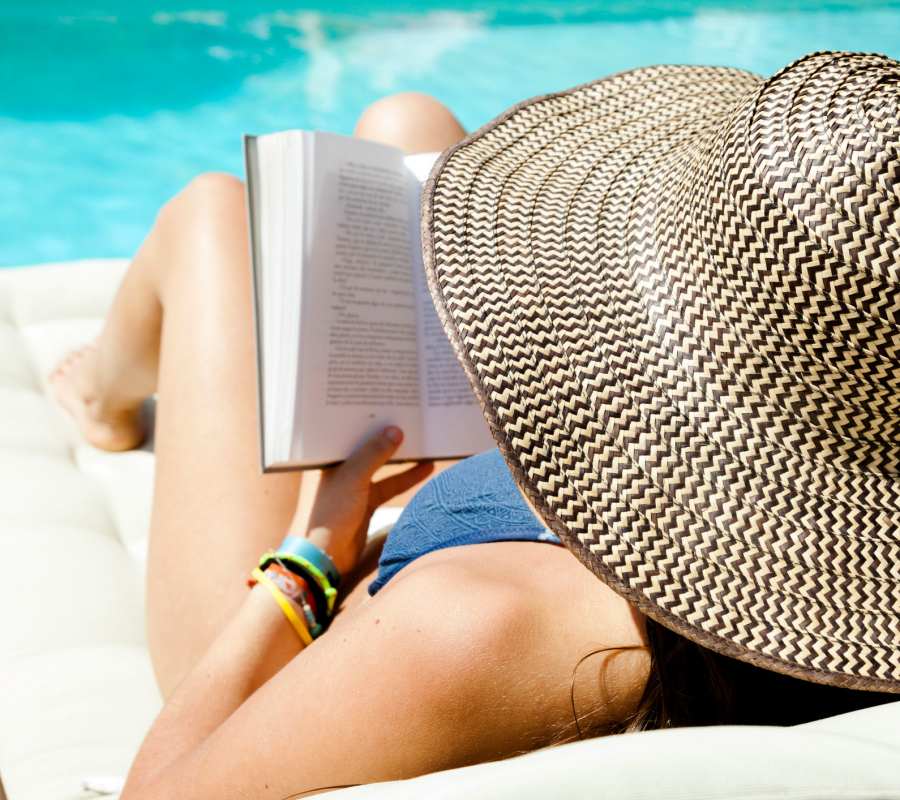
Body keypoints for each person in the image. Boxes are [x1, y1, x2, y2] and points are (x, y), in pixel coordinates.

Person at [49, 52, 897, 800]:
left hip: (294, 646)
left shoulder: (475, 626)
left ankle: (101, 399)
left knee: (210, 212)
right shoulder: (843, 567)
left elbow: (158, 795)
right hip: (625, 514)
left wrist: (311, 558)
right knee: (405, 123)